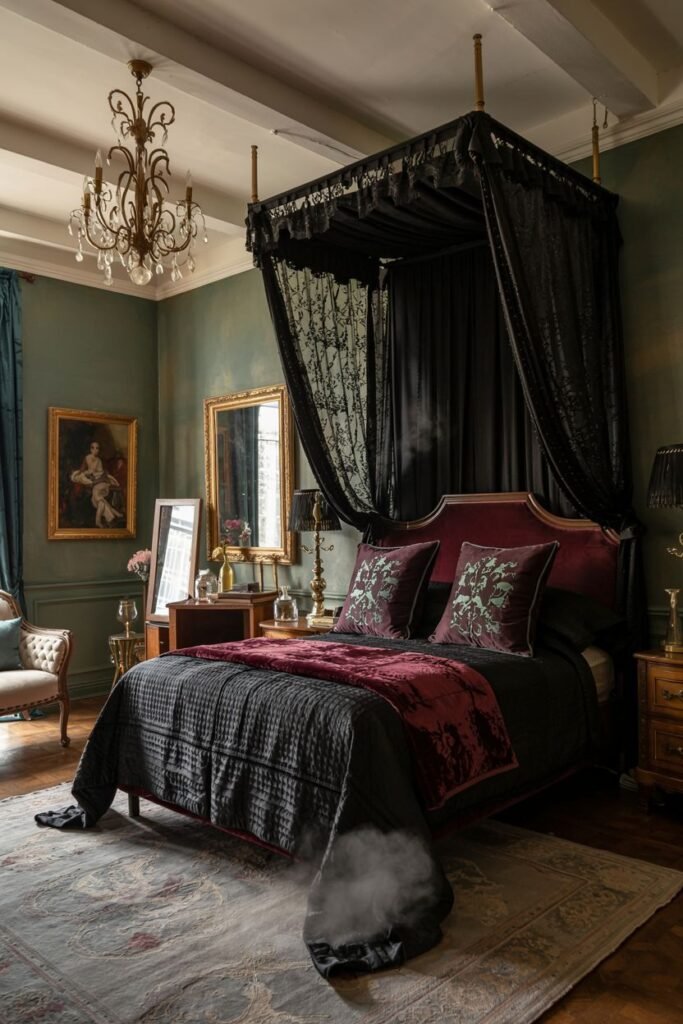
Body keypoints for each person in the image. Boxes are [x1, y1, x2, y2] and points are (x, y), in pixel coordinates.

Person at [70, 441, 124, 528]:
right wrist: (80, 475)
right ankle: (110, 516)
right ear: (90, 449)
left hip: (102, 482)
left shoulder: (99, 461)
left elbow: (102, 475)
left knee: (96, 496)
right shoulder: (87, 458)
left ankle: (107, 518)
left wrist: (95, 480)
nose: (95, 450)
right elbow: (82, 469)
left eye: (97, 448)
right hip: (94, 480)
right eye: (93, 448)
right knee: (97, 500)